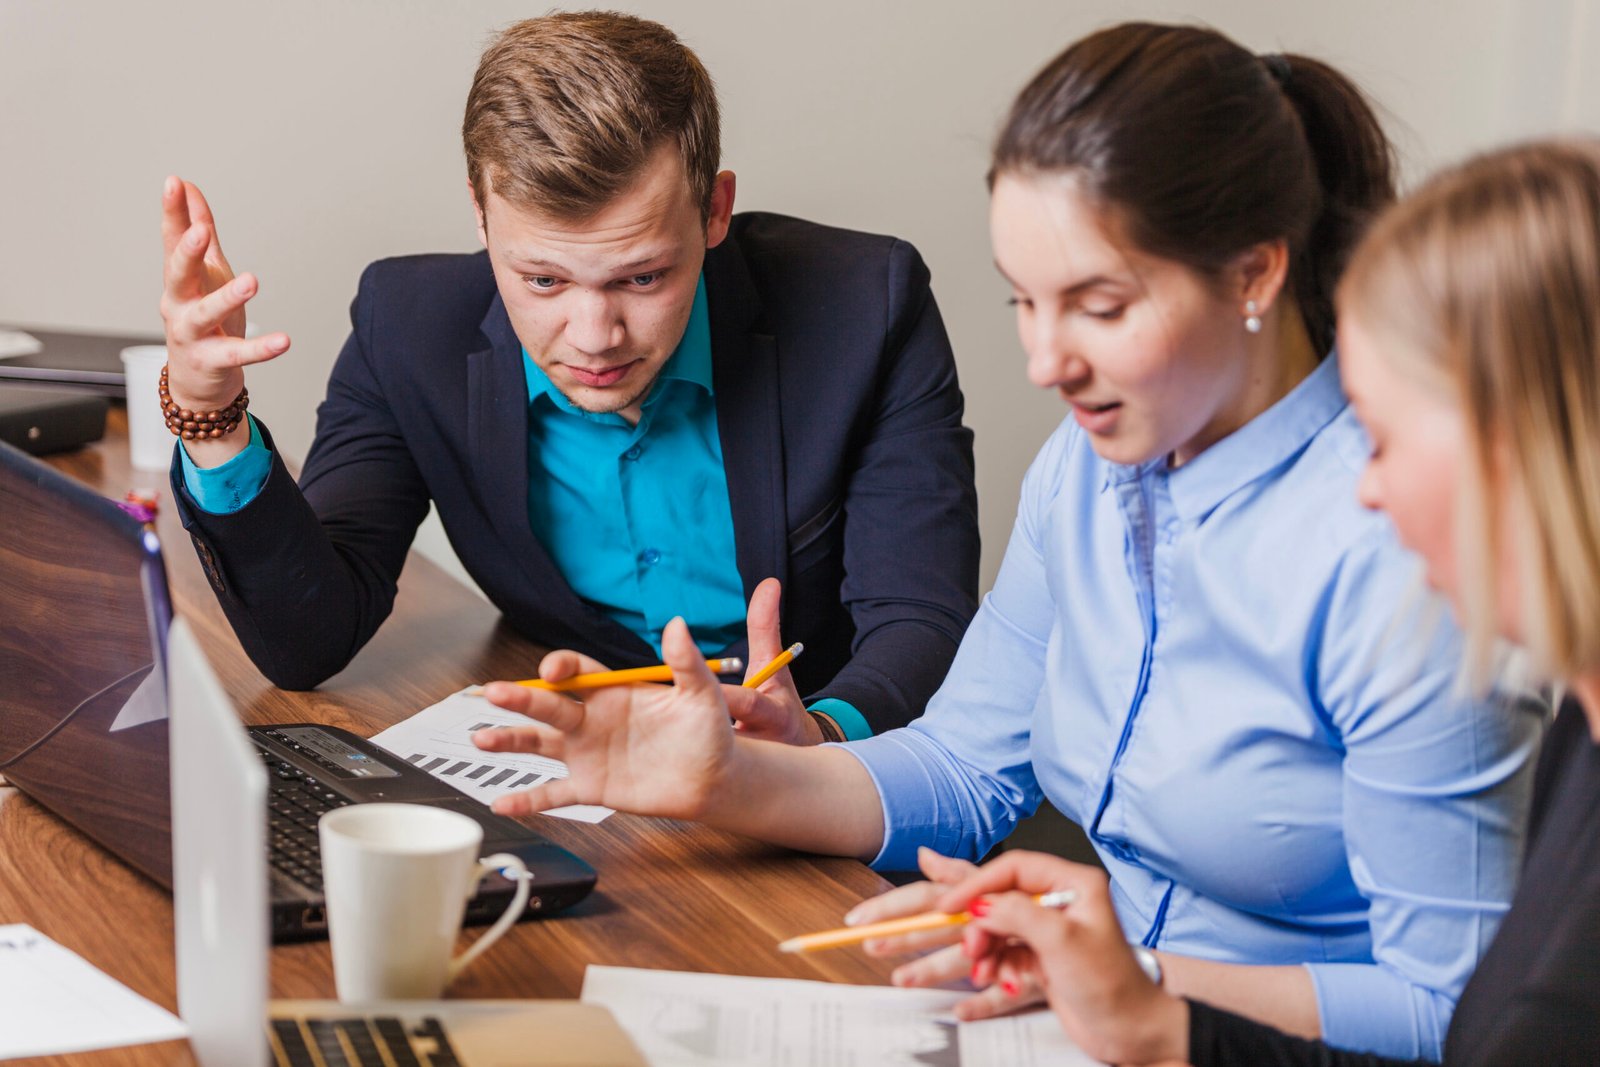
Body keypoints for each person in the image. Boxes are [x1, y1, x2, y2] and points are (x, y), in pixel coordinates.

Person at [474, 23, 1541, 1061]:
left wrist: (1139, 977)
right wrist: (727, 778)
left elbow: (1456, 1011)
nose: (1043, 359)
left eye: (1099, 305)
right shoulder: (1089, 469)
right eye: (1024, 301)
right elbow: (965, 765)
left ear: (1254, 274)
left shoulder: (1406, 550)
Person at [933, 138, 1600, 1067]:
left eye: (1387, 434)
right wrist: (1145, 1000)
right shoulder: (1583, 728)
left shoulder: (1411, 617)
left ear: (1532, 446)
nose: (1364, 488)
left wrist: (1154, 999)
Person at [155, 12, 980, 744]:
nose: (595, 337)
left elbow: (920, 619)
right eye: (544, 280)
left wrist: (817, 739)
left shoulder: (865, 306)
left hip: (828, 788)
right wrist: (211, 416)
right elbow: (306, 642)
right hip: (589, 764)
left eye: (643, 277)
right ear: (480, 215)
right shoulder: (407, 327)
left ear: (715, 210)